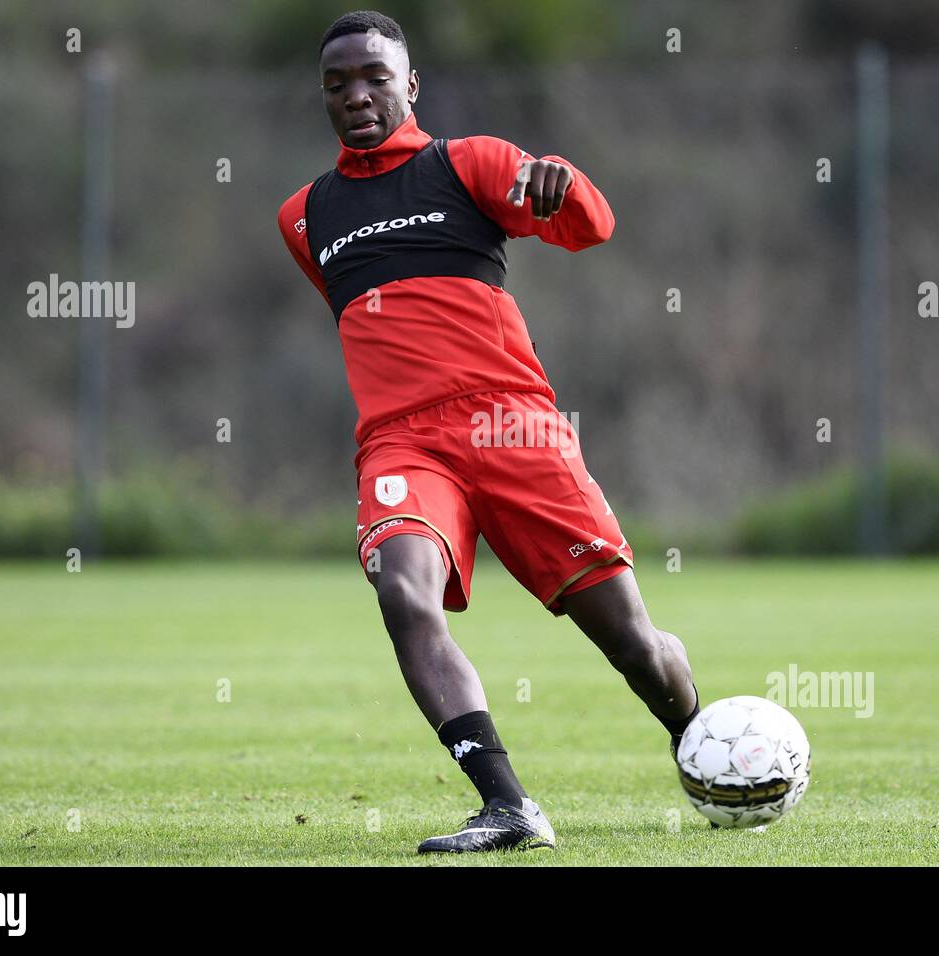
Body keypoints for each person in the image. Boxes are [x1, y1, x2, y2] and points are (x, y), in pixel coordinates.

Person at [277, 9, 698, 853]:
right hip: (401, 442)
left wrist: (562, 181)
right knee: (402, 592)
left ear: (411, 85)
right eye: (337, 84)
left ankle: (706, 745)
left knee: (629, 643)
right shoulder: (304, 215)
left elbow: (591, 226)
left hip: (512, 426)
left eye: (375, 78)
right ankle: (507, 805)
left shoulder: (468, 163)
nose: (357, 95)